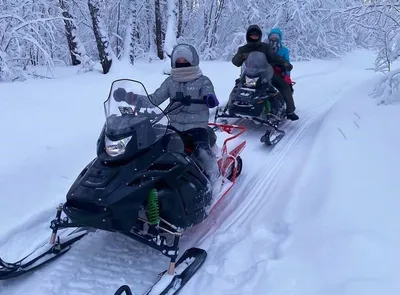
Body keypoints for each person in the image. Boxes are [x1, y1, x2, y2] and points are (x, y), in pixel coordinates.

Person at [113, 43, 221, 189]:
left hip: (197, 126)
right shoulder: (171, 81)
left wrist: (210, 98)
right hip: (173, 125)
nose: (182, 63)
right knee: (155, 149)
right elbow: (153, 99)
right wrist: (128, 97)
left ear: (192, 61)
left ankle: (215, 179)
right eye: (179, 61)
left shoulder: (202, 81)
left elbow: (208, 91)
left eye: (185, 61)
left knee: (202, 151)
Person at [232, 25, 299, 121]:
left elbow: (274, 57)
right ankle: (230, 105)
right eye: (252, 35)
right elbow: (235, 62)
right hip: (248, 74)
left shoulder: (265, 47)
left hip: (265, 74)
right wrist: (241, 56)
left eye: (256, 35)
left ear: (259, 36)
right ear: (248, 36)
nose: (254, 37)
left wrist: (285, 63)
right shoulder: (243, 49)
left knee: (284, 85)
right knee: (237, 86)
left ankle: (290, 110)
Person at [267, 28, 294, 92]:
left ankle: (287, 100)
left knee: (287, 89)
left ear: (279, 39)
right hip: (265, 72)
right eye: (272, 37)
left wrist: (287, 76)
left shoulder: (284, 50)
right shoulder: (265, 47)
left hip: (279, 73)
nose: (274, 39)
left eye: (276, 37)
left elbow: (287, 63)